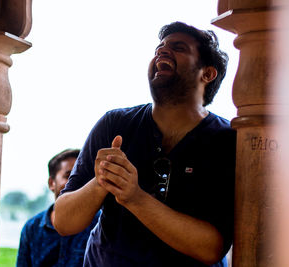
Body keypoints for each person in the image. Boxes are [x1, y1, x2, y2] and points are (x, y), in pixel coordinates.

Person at [53, 21, 236, 267]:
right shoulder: (115, 123)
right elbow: (63, 221)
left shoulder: (226, 141)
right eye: (159, 47)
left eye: (178, 47)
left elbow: (211, 248)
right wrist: (102, 181)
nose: (161, 51)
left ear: (207, 73)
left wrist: (134, 197)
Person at [16, 149, 100, 267]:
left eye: (84, 176)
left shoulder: (100, 224)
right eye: (69, 175)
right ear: (51, 183)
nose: (78, 181)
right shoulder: (31, 228)